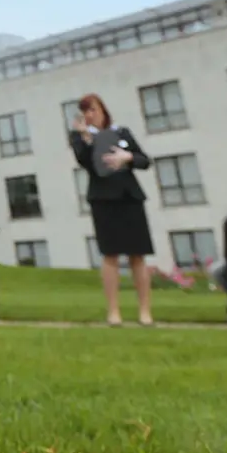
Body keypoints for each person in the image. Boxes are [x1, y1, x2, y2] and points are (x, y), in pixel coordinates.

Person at [69, 93, 154, 325]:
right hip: (104, 200)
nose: (90, 115)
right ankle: (114, 312)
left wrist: (127, 157)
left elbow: (144, 160)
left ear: (103, 110)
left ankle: (145, 312)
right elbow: (85, 162)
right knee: (110, 255)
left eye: (93, 109)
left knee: (138, 255)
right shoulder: (80, 137)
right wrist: (86, 139)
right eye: (85, 111)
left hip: (130, 197)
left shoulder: (122, 132)